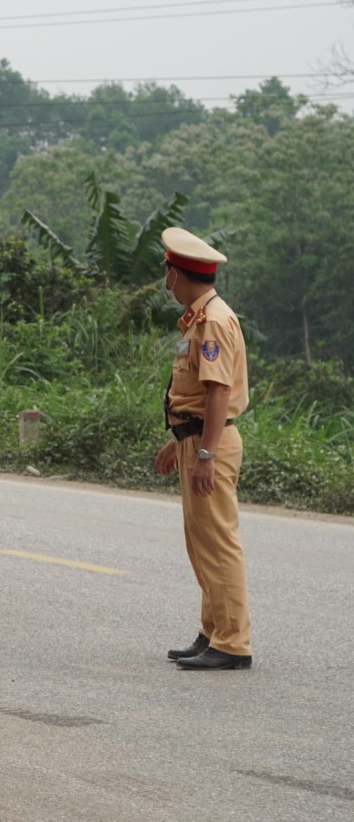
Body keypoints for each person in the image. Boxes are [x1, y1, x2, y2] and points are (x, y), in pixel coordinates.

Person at [155, 228, 252, 671]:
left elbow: (217, 392)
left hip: (210, 442)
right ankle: (213, 631)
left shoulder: (212, 320)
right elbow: (196, 397)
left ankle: (232, 643)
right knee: (202, 544)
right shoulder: (200, 318)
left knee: (218, 543)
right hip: (194, 438)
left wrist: (207, 454)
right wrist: (179, 443)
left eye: (167, 272)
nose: (166, 280)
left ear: (177, 274)